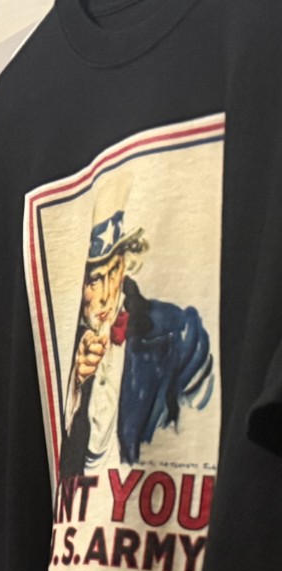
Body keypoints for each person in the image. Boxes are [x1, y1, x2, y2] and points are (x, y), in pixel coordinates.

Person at [57, 180, 214, 482]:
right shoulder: (65, 343)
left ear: (125, 266)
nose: (105, 294)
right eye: (93, 280)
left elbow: (197, 438)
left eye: (113, 271)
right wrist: (76, 384)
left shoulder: (177, 331)